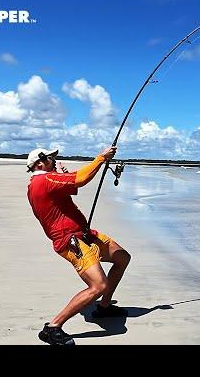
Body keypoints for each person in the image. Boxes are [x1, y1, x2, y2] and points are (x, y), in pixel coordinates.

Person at [26, 146, 131, 345]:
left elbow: (70, 188)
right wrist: (101, 158)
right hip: (71, 240)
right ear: (39, 163)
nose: (55, 160)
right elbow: (80, 179)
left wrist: (64, 176)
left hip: (84, 234)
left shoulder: (42, 181)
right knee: (98, 285)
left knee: (122, 257)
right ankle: (52, 327)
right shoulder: (44, 180)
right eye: (50, 158)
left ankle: (104, 307)